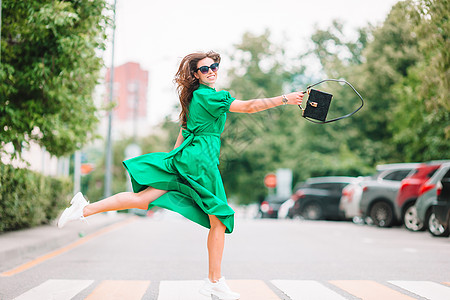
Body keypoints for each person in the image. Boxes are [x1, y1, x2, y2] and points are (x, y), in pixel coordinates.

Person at [57, 50, 303, 299]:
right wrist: (285, 99)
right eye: (205, 69)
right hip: (200, 162)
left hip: (190, 158)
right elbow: (249, 107)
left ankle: (83, 208)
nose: (212, 71)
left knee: (146, 200)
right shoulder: (209, 97)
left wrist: (172, 159)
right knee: (219, 218)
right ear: (196, 75)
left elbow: (184, 129)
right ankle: (214, 281)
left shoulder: (197, 97)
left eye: (214, 66)